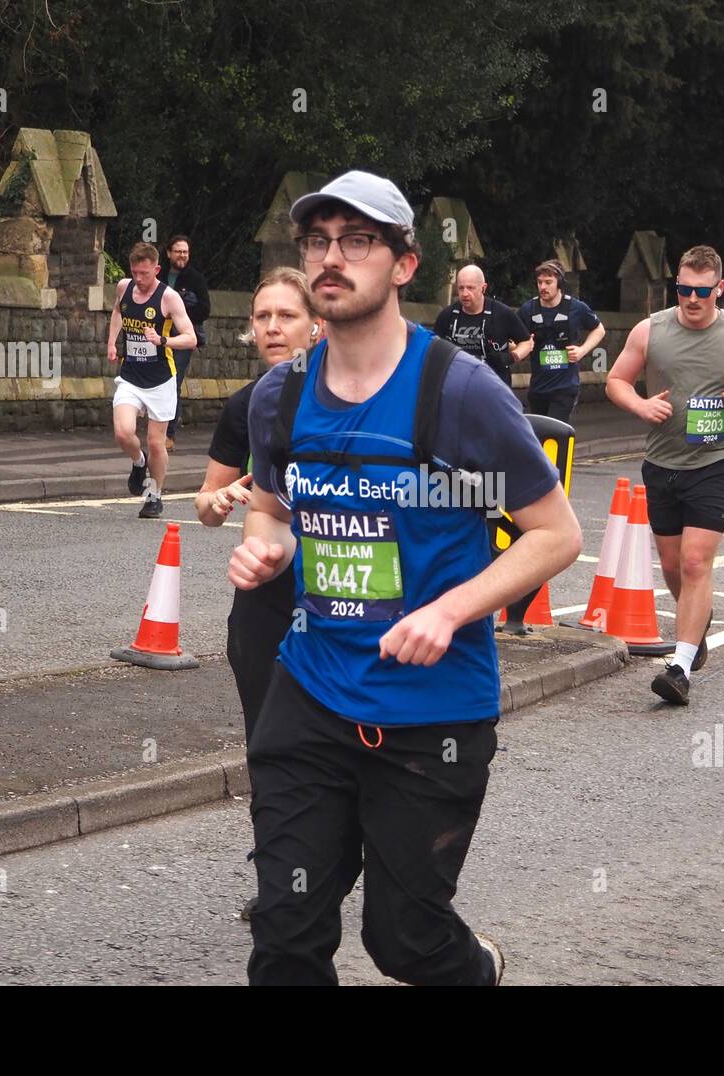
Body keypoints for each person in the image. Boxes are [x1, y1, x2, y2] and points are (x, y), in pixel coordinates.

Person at [229, 170, 582, 986]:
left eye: (358, 242)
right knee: (284, 932)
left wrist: (448, 612)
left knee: (405, 941)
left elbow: (555, 535)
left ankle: (475, 969)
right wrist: (268, 547)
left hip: (432, 718)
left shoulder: (459, 393)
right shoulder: (278, 399)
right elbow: (275, 510)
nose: (331, 259)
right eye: (318, 242)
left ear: (403, 265)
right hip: (310, 696)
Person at [605, 244, 724, 706]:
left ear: (720, 289)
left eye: (702, 292)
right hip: (662, 461)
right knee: (672, 566)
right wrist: (641, 404)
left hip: (718, 461)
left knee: (695, 562)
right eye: (685, 290)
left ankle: (680, 666)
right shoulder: (649, 330)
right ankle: (698, 626)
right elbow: (616, 380)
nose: (693, 300)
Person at [194, 267, 323, 923]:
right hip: (266, 600)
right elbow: (208, 505)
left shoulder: (353, 396)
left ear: (316, 324)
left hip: (340, 605)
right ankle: (282, 882)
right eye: (263, 316)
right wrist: (222, 499)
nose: (272, 327)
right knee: (269, 747)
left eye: (286, 316)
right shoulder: (249, 404)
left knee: (335, 747)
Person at [106, 242, 197, 518]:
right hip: (131, 376)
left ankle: (154, 496)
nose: (139, 278)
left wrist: (163, 340)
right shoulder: (124, 287)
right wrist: (112, 343)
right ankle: (138, 461)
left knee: (157, 442)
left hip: (160, 379)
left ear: (156, 269)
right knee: (123, 432)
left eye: (144, 273)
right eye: (135, 272)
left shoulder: (168, 298)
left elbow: (191, 338)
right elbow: (118, 312)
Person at [516, 260, 605, 421]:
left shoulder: (576, 308)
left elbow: (599, 329)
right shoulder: (528, 310)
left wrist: (582, 350)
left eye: (548, 282)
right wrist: (518, 348)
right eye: (540, 282)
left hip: (565, 387)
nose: (543, 287)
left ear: (560, 284)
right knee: (539, 437)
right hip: (538, 388)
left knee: (555, 433)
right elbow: (513, 339)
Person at [433, 264, 532, 387]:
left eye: (470, 288)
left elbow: (527, 342)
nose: (464, 293)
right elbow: (433, 349)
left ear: (483, 288)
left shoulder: (501, 313)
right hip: (457, 386)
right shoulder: (447, 315)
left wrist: (511, 357)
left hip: (494, 387)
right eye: (461, 288)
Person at [157, 235, 211, 449]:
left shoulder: (195, 279)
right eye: (178, 251)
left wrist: (183, 311)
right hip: (157, 336)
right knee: (157, 382)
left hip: (181, 338)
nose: (182, 255)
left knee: (173, 383)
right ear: (169, 253)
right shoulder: (158, 275)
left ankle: (169, 434)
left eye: (185, 252)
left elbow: (205, 310)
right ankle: (157, 429)